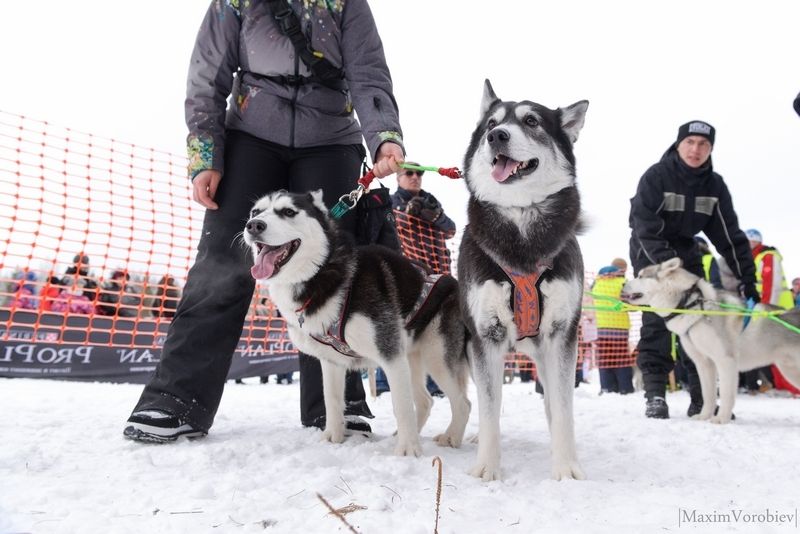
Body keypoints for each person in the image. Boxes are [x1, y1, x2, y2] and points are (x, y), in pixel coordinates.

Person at [124, 0, 404, 443]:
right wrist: (205, 156)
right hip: (251, 135)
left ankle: (337, 405)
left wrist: (385, 137)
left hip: (330, 138)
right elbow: (208, 74)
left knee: (334, 269)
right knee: (223, 260)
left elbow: (368, 71)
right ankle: (176, 399)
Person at [629, 120, 758, 419]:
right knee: (657, 321)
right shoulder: (656, 177)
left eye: (703, 144)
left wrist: (747, 280)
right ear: (679, 144)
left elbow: (730, 238)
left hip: (687, 253)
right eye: (690, 142)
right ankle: (655, 394)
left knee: (700, 322)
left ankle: (702, 398)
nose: (696, 149)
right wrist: (665, 268)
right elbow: (644, 226)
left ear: (710, 149)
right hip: (650, 254)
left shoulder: (714, 186)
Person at [373, 165, 456, 397]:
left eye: (419, 174)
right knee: (394, 324)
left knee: (433, 328)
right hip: (403, 272)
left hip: (435, 271)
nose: (415, 177)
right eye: (409, 173)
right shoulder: (390, 202)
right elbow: (388, 229)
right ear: (398, 178)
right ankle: (384, 382)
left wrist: (436, 216)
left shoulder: (432, 201)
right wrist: (405, 211)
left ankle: (432, 384)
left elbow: (451, 230)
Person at [740, 228, 794, 393]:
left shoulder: (767, 255)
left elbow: (771, 283)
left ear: (757, 241)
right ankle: (779, 384)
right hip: (766, 307)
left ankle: (788, 385)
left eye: (750, 241)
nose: (748, 245)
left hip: (777, 308)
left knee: (782, 347)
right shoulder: (755, 257)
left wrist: (765, 308)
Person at [591, 260, 633, 395]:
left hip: (601, 328)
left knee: (604, 359)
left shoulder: (596, 283)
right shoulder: (623, 283)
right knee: (621, 358)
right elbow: (630, 304)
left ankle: (607, 387)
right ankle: (625, 388)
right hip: (620, 328)